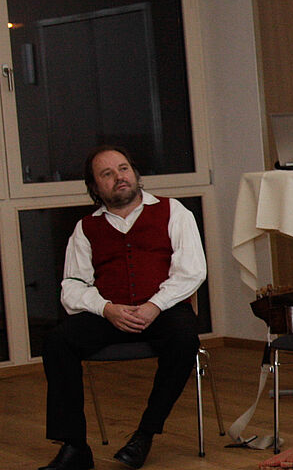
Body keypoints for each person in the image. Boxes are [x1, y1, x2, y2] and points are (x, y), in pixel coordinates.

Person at [38, 146, 207, 470]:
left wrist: (155, 305)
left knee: (185, 338)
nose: (119, 177)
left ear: (135, 173)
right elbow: (72, 286)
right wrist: (106, 309)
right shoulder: (85, 228)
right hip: (110, 313)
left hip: (162, 309)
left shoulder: (174, 211)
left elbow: (192, 271)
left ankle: (144, 434)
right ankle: (74, 447)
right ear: (95, 187)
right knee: (58, 341)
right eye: (107, 174)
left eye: (123, 168)